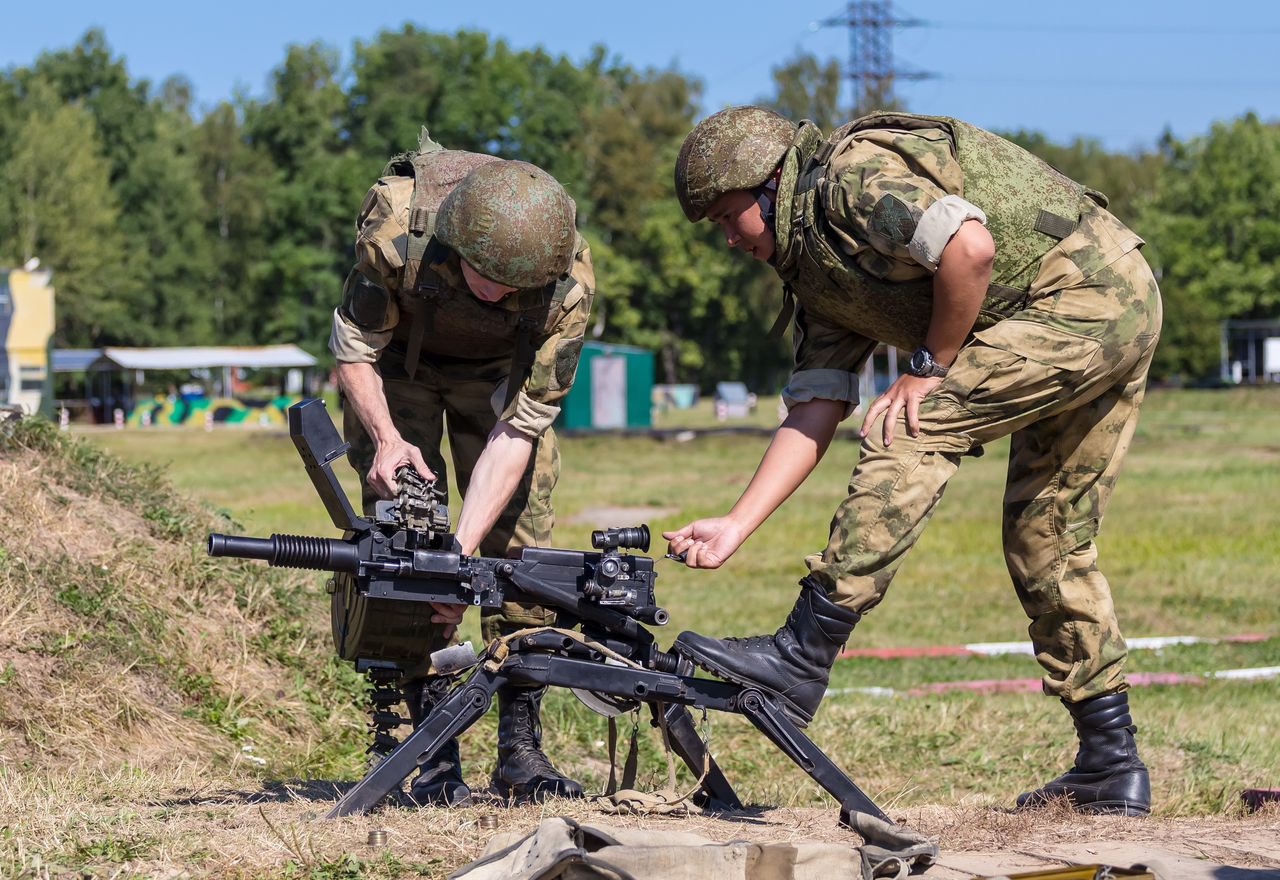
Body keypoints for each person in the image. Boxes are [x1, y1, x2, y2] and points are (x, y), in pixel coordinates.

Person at [665, 107, 1160, 816]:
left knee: (908, 427)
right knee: (1045, 535)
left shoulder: (848, 182)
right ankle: (1111, 764)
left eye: (724, 216)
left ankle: (803, 656)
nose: (725, 238)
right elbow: (814, 407)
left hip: (1080, 298)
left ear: (769, 185)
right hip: (1117, 298)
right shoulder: (816, 267)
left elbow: (968, 247)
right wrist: (736, 525)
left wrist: (929, 367)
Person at [329, 130, 595, 805]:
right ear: (459, 243)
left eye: (519, 286)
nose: (505, 294)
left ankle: (520, 748)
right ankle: (428, 751)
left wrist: (462, 554)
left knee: (523, 546)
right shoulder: (396, 223)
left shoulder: (566, 282)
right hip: (398, 371)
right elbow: (355, 347)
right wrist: (387, 439)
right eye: (491, 278)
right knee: (403, 542)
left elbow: (522, 428)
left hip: (499, 383)